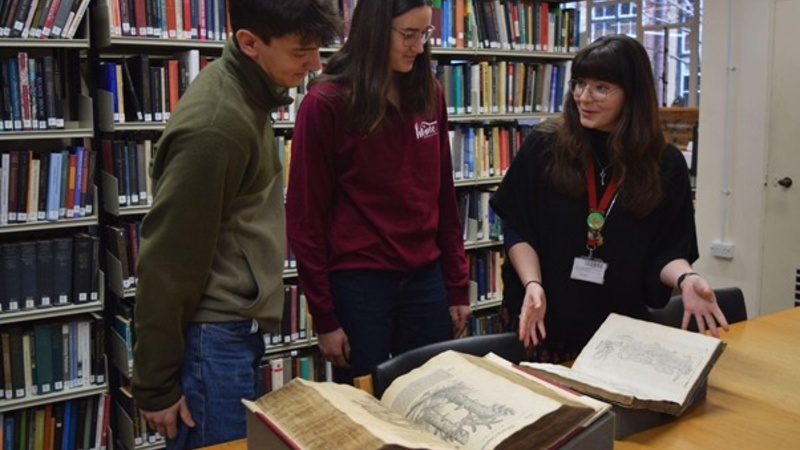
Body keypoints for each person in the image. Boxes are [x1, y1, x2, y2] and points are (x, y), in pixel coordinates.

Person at [131, 1, 340, 448]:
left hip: (228, 335)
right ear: (249, 42)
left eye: (318, 48)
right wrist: (156, 384)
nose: (315, 64)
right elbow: (168, 262)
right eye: (301, 50)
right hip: (211, 343)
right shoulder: (218, 126)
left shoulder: (250, 93)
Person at [490, 34, 730, 363]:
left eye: (601, 87)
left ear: (632, 96)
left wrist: (687, 278)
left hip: (619, 329)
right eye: (579, 83)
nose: (584, 97)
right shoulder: (545, 147)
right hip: (543, 319)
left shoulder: (664, 164)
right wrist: (532, 283)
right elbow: (517, 226)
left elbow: (667, 251)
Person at [286, 0, 471, 384]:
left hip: (425, 278)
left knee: (434, 394)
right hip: (359, 286)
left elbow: (443, 198)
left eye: (425, 34)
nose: (418, 46)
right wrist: (325, 317)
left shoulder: (429, 94)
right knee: (364, 406)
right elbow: (306, 220)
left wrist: (456, 286)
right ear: (373, 30)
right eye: (408, 34)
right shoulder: (326, 104)